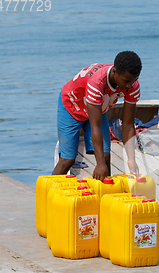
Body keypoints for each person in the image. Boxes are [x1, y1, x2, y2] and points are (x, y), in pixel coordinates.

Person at [52, 51, 142, 180]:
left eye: (134, 80)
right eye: (126, 81)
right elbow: (95, 125)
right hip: (72, 107)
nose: (129, 86)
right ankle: (47, 193)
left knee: (105, 157)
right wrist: (99, 165)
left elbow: (128, 123)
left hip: (97, 108)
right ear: (115, 72)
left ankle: (107, 196)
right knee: (67, 160)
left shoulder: (132, 85)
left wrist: (131, 160)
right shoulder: (97, 83)